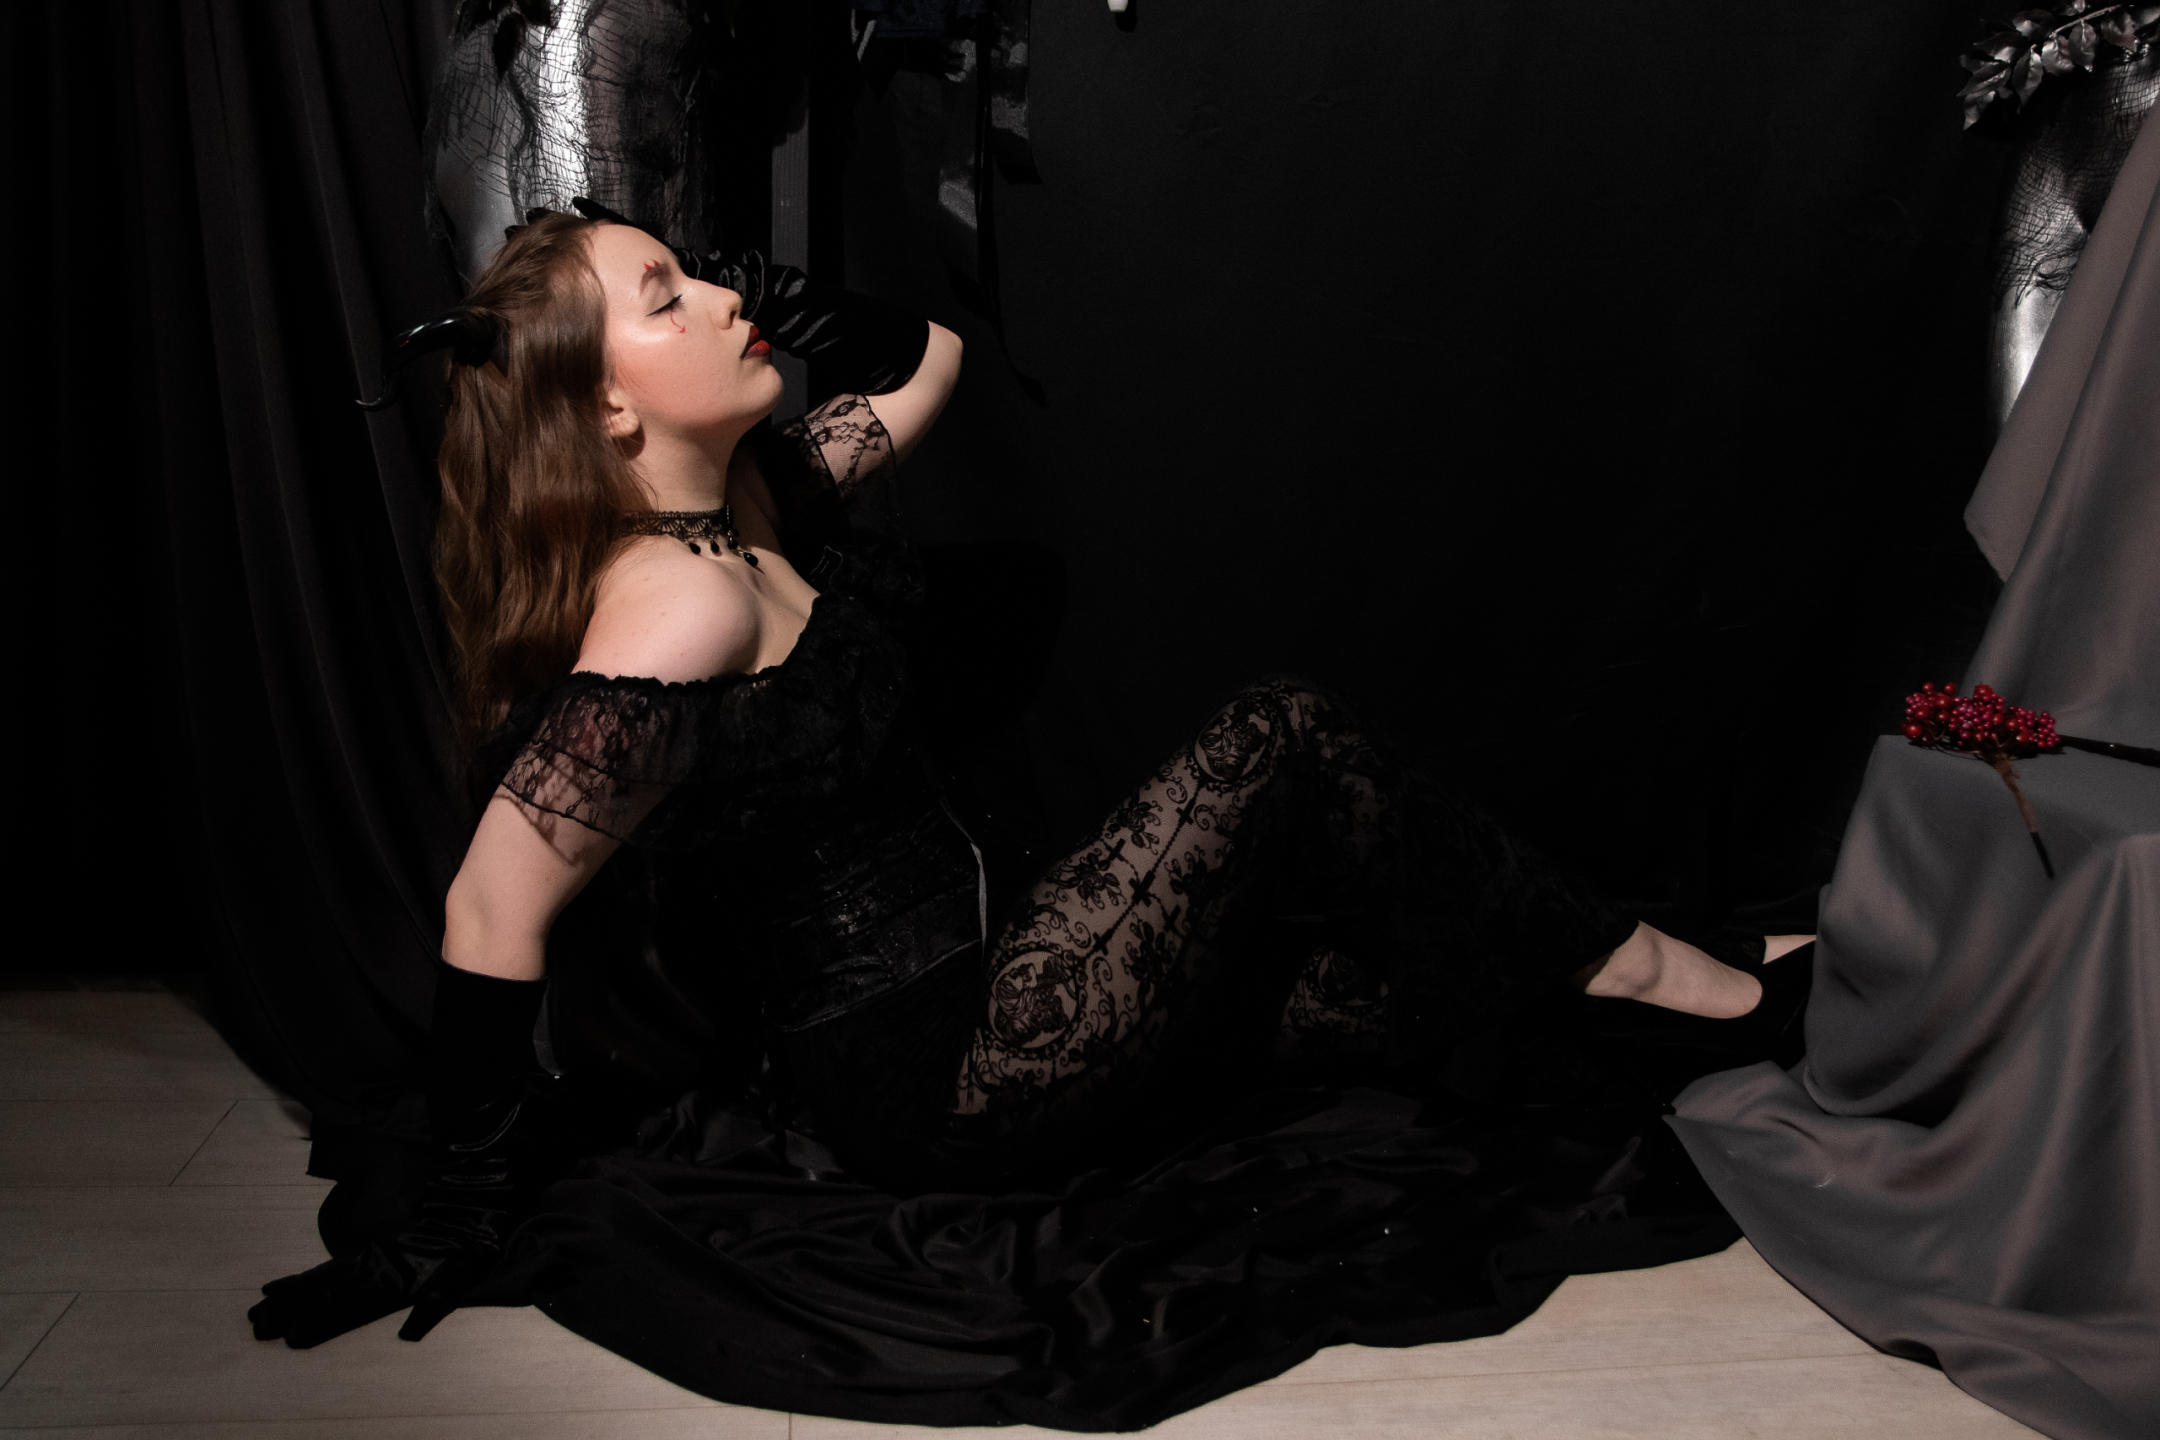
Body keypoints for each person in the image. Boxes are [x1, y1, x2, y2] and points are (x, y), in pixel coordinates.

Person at [248, 205, 1814, 1365]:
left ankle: (1652, 981)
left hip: (1006, 976)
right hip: (932, 1078)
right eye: (672, 295)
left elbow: (928, 361)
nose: (721, 297)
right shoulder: (679, 605)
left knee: (1383, 999)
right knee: (1279, 733)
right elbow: (490, 905)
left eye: (707, 272)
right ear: (604, 405)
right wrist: (461, 1201)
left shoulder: (762, 504)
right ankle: (1684, 983)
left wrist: (773, 298)